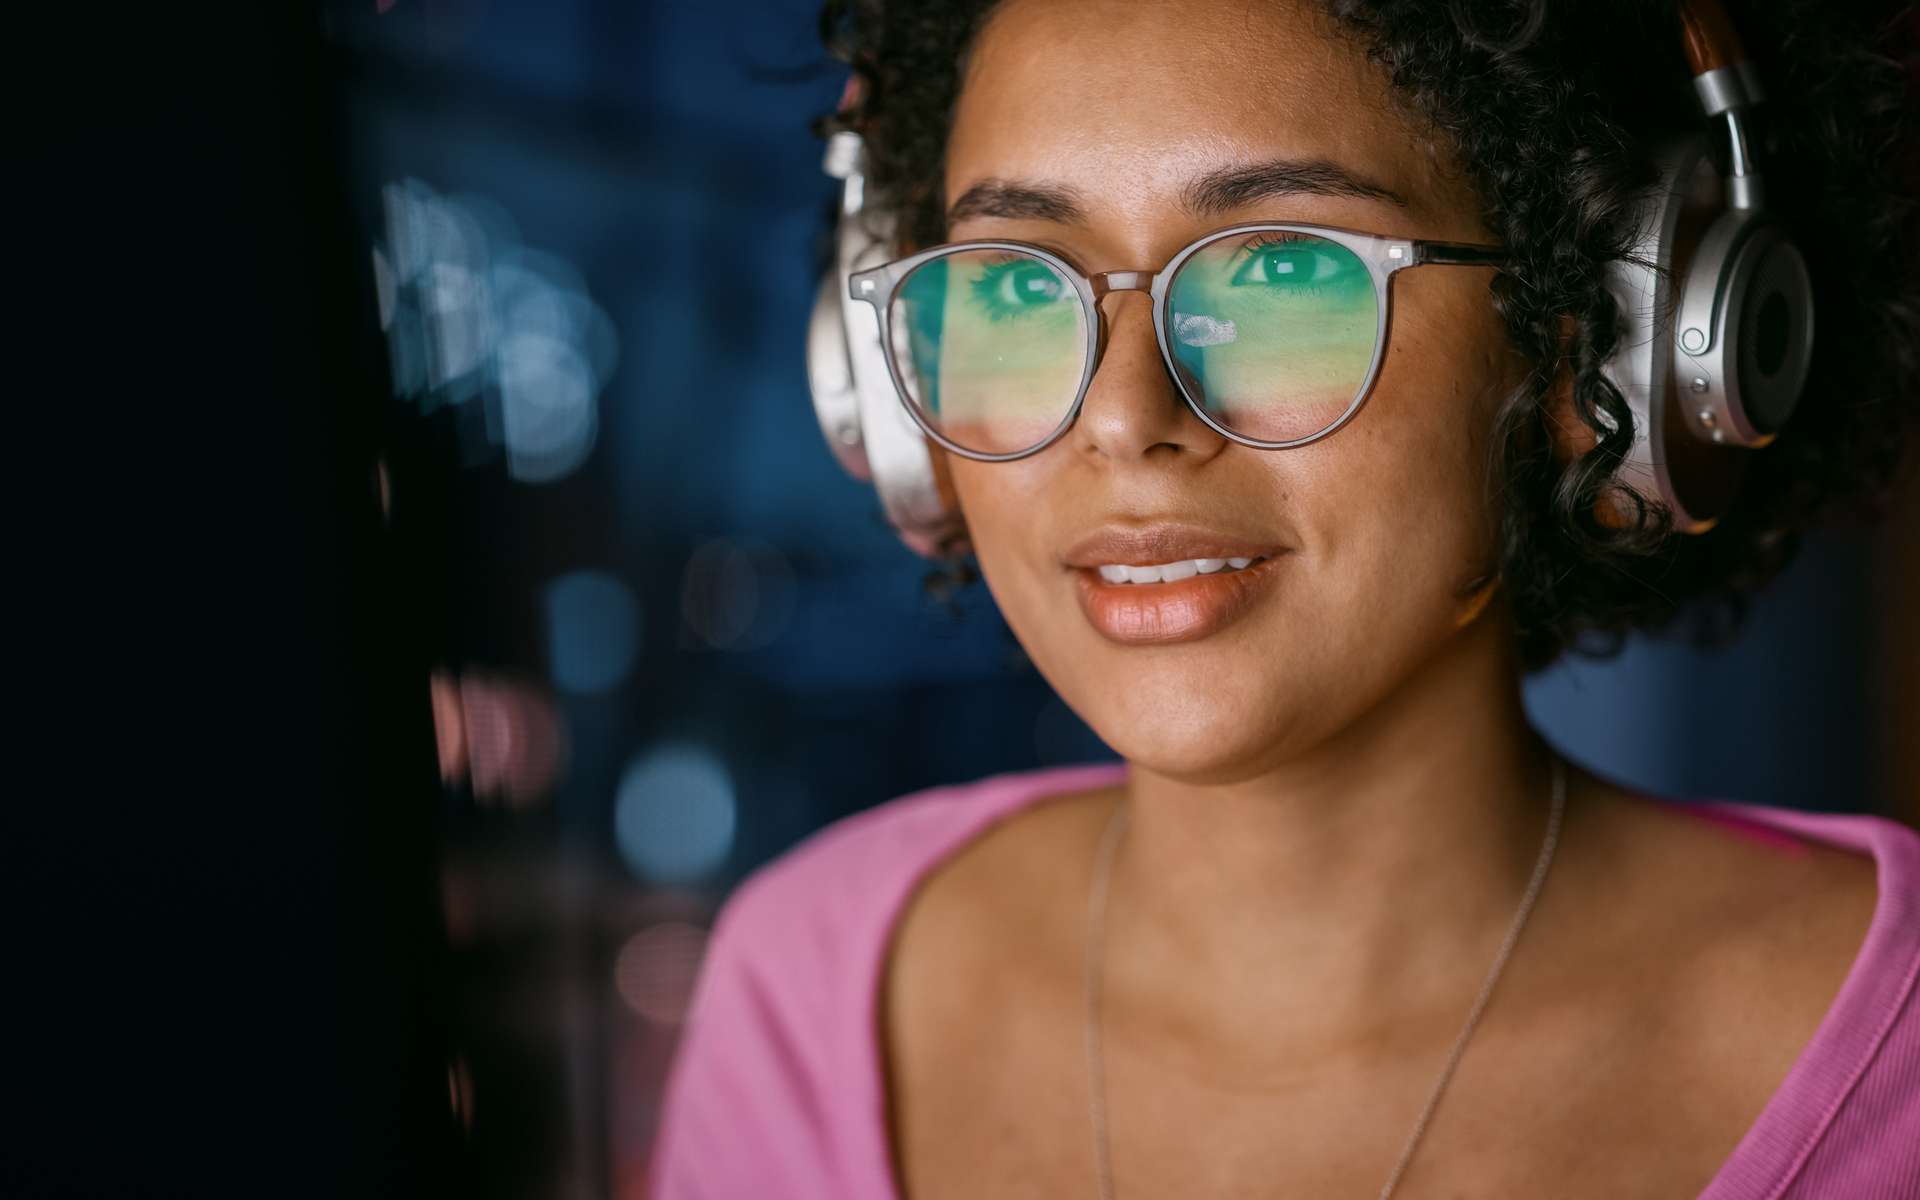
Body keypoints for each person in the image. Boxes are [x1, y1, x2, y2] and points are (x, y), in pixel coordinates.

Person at [649, 1, 1919, 1196]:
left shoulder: (1895, 1048)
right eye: (1010, 283)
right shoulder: (803, 989)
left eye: (1280, 278)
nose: (1125, 418)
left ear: (1598, 337)